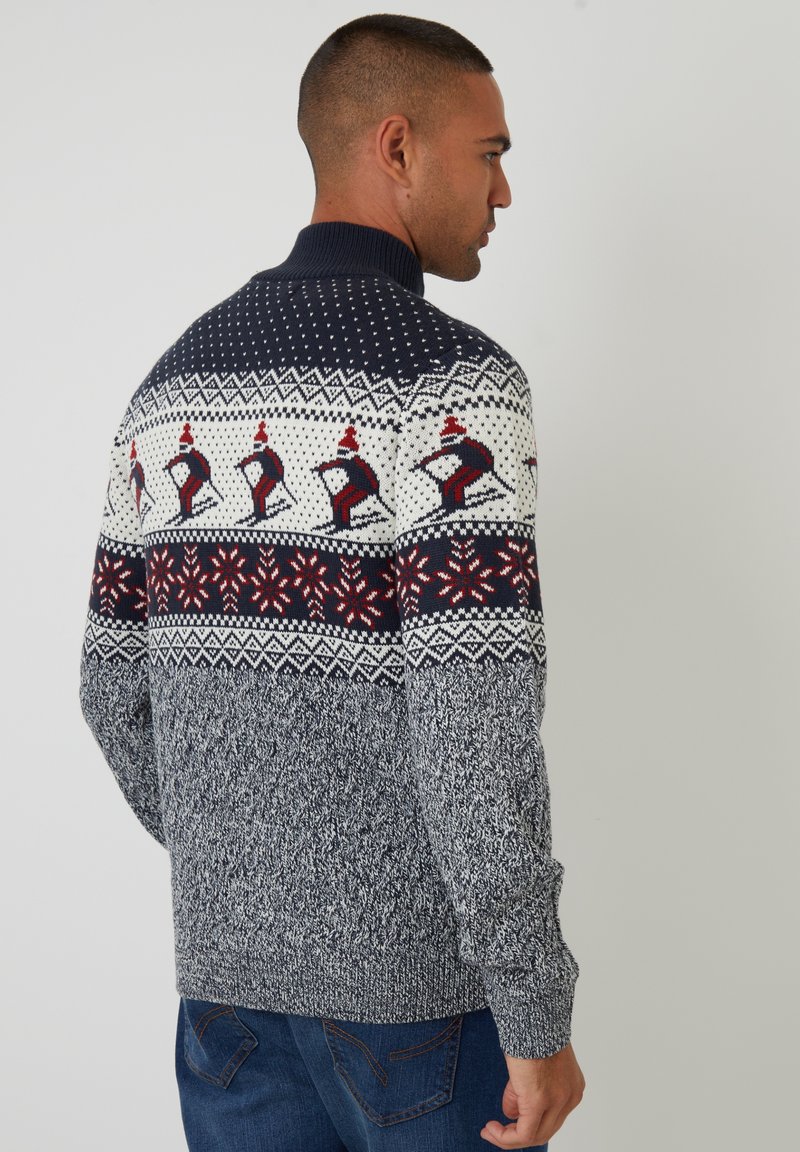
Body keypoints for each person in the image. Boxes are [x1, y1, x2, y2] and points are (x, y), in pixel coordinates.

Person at [78, 13, 586, 1151]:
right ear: (397, 146)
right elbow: (475, 736)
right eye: (490, 154)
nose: (503, 192)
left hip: (225, 1004)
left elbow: (111, 693)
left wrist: (245, 873)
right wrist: (535, 1008)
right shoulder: (454, 385)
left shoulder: (171, 388)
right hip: (420, 1010)